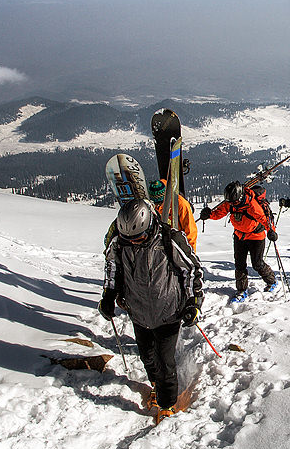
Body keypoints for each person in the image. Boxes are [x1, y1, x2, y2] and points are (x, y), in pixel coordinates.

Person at [99, 199, 204, 424]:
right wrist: (108, 295)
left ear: (149, 225)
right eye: (130, 239)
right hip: (138, 310)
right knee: (147, 356)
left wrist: (194, 301)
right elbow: (112, 267)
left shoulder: (169, 239)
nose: (134, 242)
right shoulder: (120, 242)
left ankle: (167, 405)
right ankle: (156, 386)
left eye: (139, 237)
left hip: (169, 310)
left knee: (165, 360)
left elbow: (192, 270)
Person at [199, 181, 278, 301]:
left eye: (233, 202)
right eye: (229, 201)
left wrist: (271, 231)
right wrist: (209, 215)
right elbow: (219, 213)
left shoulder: (252, 205)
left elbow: (264, 218)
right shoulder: (231, 202)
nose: (231, 204)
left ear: (239, 197)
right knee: (239, 264)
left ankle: (271, 281)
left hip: (256, 237)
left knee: (257, 264)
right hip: (239, 236)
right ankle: (241, 291)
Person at [103, 180, 197, 252]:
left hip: (176, 241)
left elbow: (190, 230)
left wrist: (189, 252)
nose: (158, 205)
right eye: (155, 202)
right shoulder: (149, 206)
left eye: (160, 202)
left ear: (166, 196)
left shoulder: (181, 204)